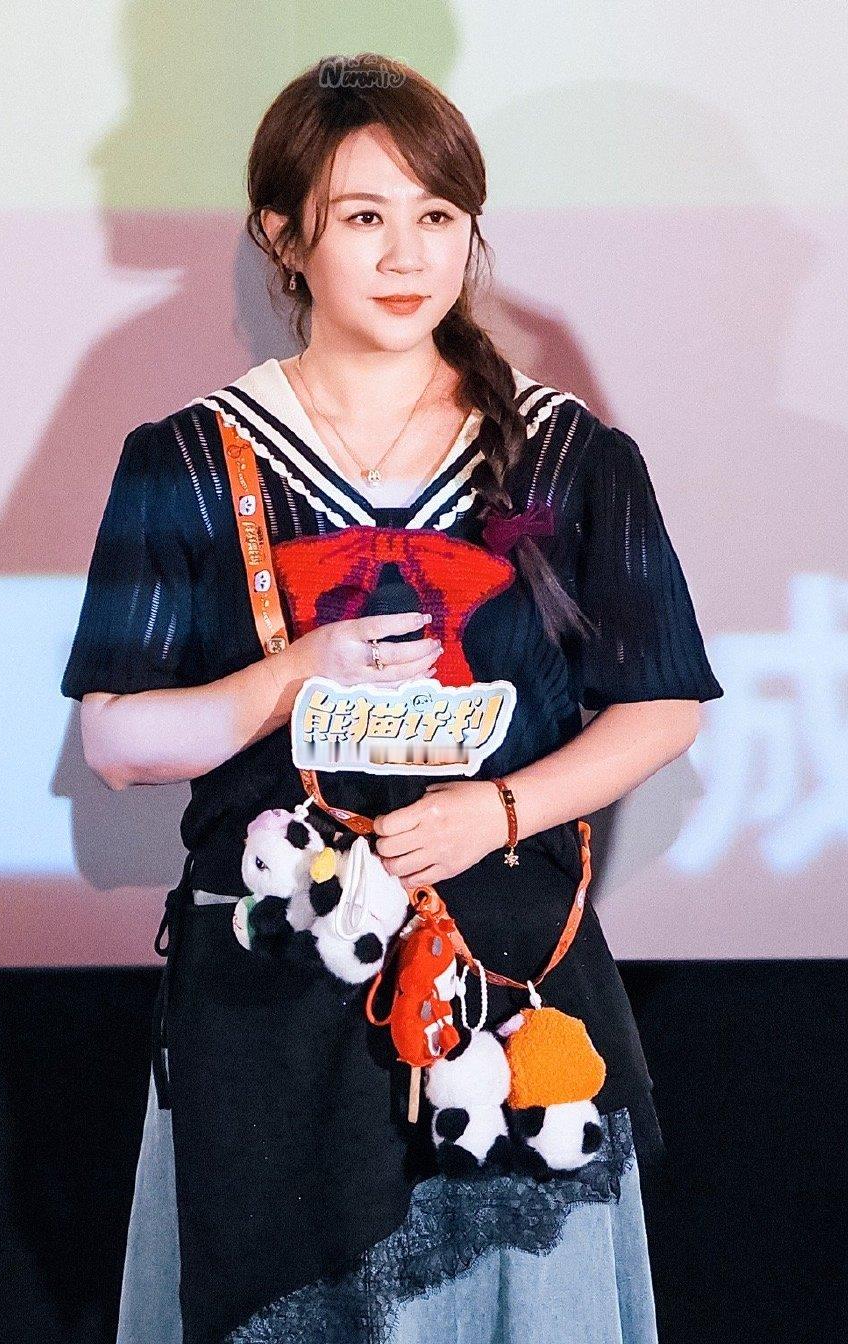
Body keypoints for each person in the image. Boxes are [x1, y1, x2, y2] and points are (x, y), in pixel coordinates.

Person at [61, 54, 723, 1344]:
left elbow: (664, 705)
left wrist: (499, 811)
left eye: (438, 215)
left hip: (510, 978)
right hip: (272, 992)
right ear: (283, 237)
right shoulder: (190, 458)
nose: (408, 254)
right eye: (363, 216)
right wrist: (289, 675)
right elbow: (118, 737)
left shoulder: (566, 454)